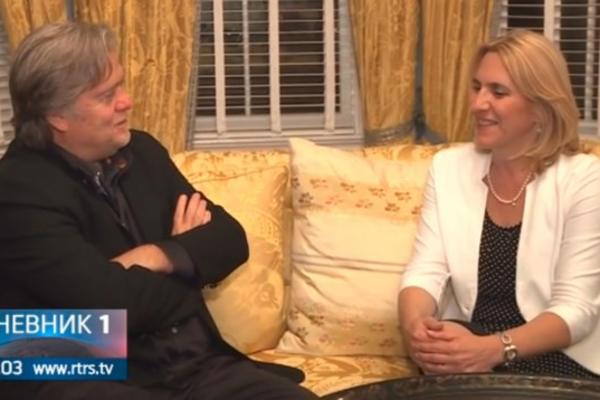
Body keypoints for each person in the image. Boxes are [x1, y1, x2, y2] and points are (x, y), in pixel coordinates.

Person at [0, 22, 317, 400]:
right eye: (106, 95)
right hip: (102, 375)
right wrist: (188, 265)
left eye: (120, 85)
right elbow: (111, 309)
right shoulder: (17, 189)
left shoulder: (142, 152)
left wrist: (156, 255)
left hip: (197, 366)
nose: (126, 101)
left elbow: (229, 239)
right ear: (57, 116)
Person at [398, 29, 600, 378]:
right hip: (471, 346)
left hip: (558, 356)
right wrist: (416, 328)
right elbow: (425, 270)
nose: (478, 104)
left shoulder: (585, 178)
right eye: (477, 87)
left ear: (540, 107)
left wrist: (493, 350)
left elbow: (576, 309)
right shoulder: (448, 168)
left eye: (498, 92)